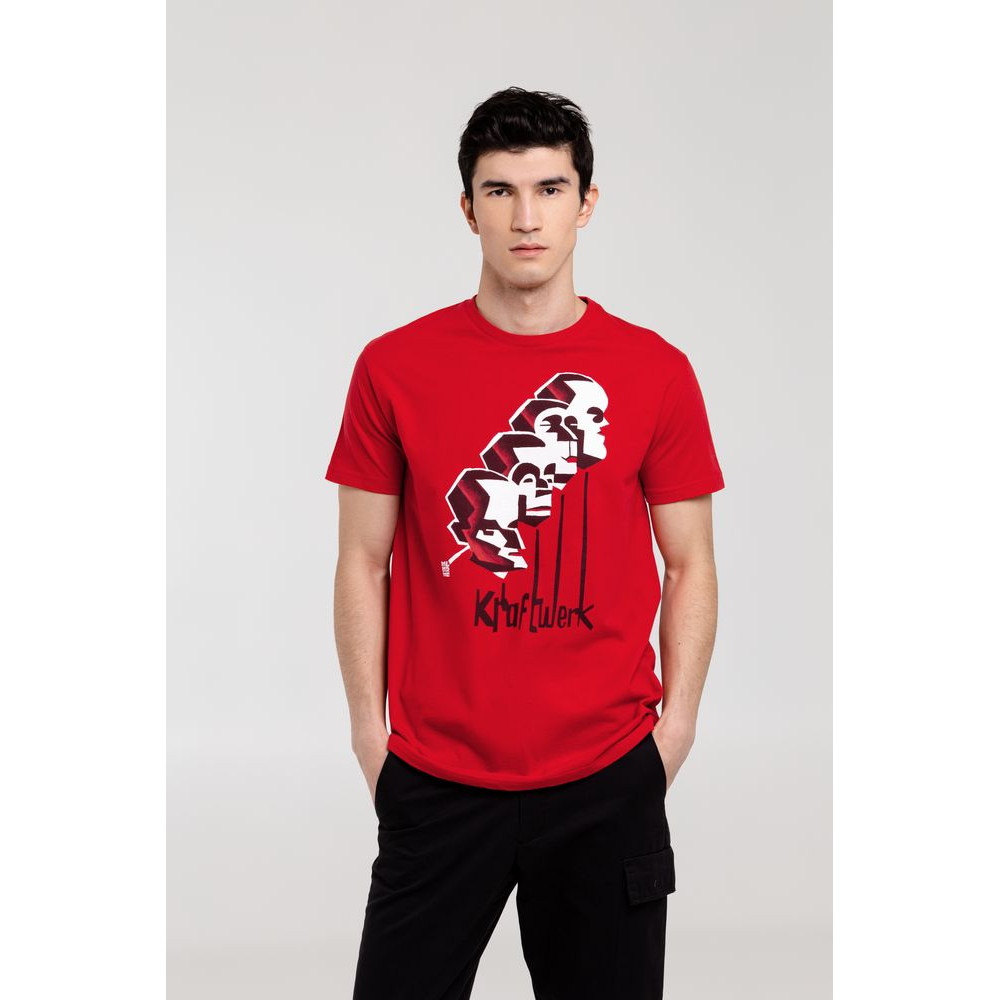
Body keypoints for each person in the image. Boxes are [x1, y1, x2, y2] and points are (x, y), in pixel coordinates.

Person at [325, 86, 725, 1000]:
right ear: (469, 209)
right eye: (500, 191)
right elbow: (361, 560)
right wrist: (369, 739)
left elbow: (691, 562)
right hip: (437, 776)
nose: (526, 217)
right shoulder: (394, 368)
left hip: (606, 776)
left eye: (550, 189)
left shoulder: (656, 371)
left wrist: (673, 734)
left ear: (587, 202)